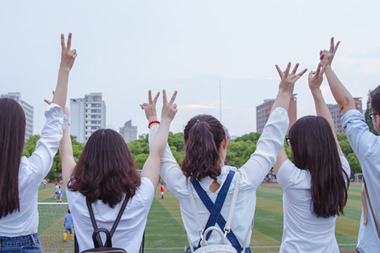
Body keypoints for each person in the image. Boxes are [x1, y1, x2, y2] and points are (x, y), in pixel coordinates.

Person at [147, 63, 307, 252]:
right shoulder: (245, 180)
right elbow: (271, 139)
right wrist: (285, 92)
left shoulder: (183, 186)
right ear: (224, 142)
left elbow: (160, 154)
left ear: (188, 146)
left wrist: (156, 121)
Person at [59, 90, 177, 252]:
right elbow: (156, 153)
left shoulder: (75, 193)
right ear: (124, 158)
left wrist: (63, 119)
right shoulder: (141, 194)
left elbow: (66, 155)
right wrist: (159, 120)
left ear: (86, 159)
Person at [321, 38, 380, 253]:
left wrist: (326, 67)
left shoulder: (373, 150)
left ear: (377, 119)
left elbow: (346, 103)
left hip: (376, 247)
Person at [0, 33, 75, 252]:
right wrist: (64, 70)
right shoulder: (31, 170)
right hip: (25, 245)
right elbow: (54, 126)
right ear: (20, 134)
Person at [273, 62, 350, 252]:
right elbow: (329, 132)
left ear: (297, 146)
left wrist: (284, 91)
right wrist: (316, 90)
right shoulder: (342, 172)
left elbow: (272, 132)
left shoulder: (292, 179)